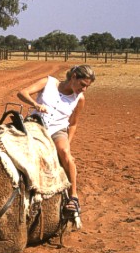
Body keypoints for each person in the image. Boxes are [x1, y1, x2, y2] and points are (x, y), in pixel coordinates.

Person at [17, 64, 96, 216]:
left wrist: (68, 143)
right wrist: (35, 105)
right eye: (82, 84)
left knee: (65, 154)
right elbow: (22, 93)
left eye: (87, 87)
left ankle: (73, 197)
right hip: (36, 124)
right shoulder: (48, 83)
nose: (84, 89)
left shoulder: (80, 99)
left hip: (58, 130)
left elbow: (73, 123)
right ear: (73, 77)